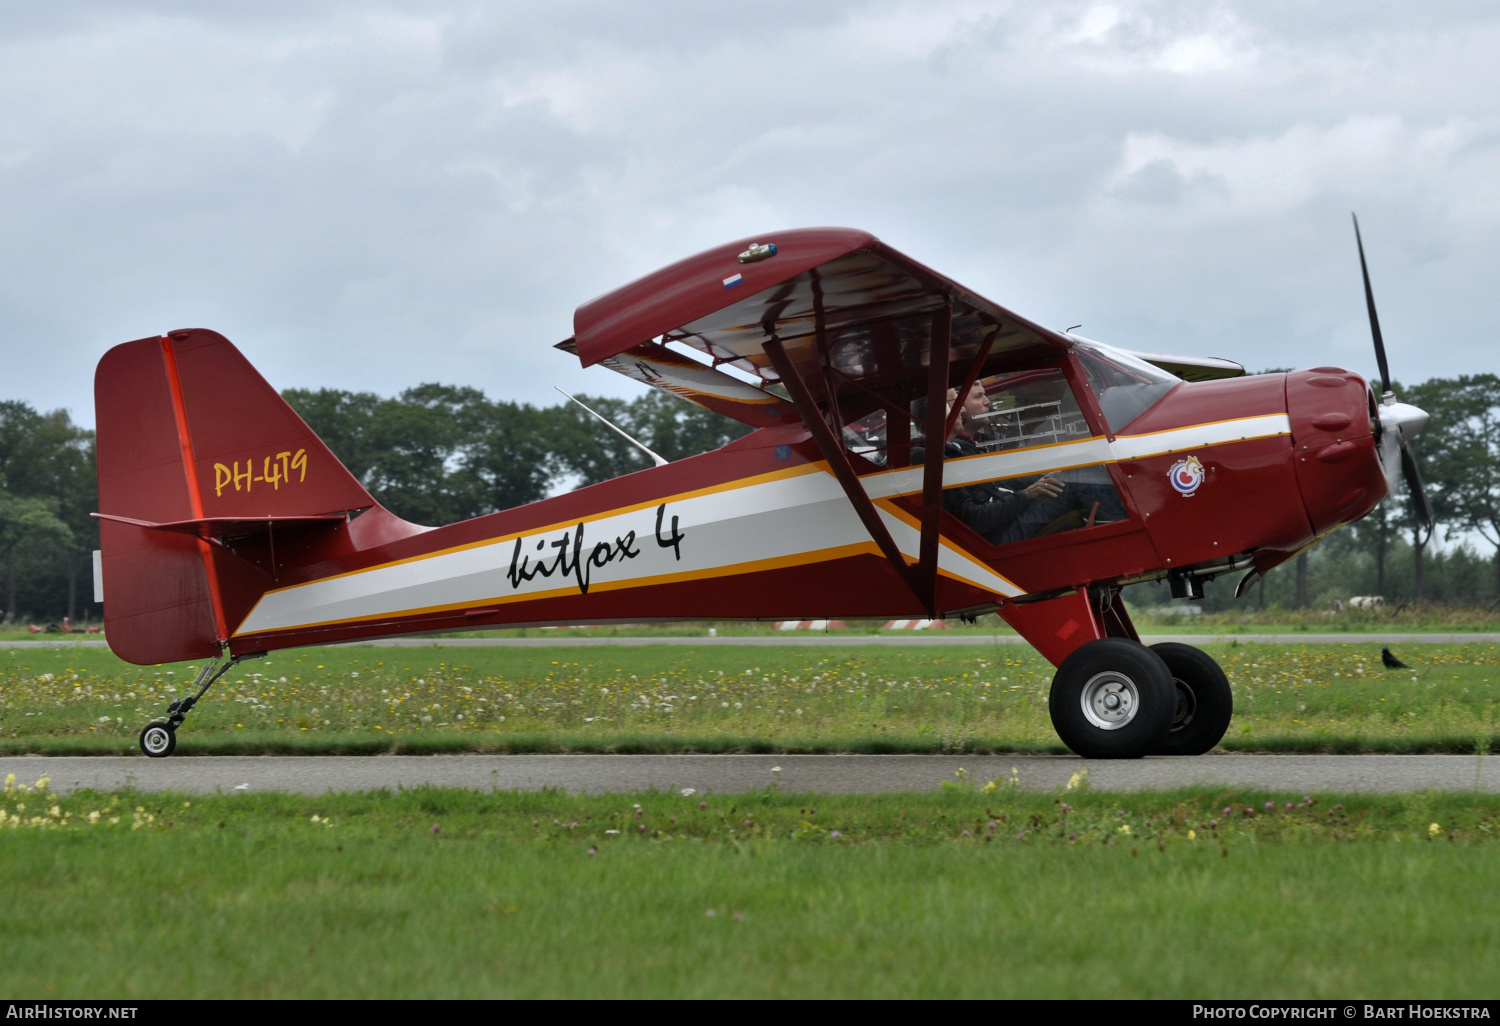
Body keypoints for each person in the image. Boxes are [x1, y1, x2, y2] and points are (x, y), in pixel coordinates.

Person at [913, 382, 1065, 544]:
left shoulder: (950, 450)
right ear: (937, 409)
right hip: (994, 539)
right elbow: (974, 519)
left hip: (1001, 526)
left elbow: (1001, 483)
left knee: (1067, 478)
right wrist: (1027, 495)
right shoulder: (929, 456)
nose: (962, 410)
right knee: (1069, 487)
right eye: (956, 403)